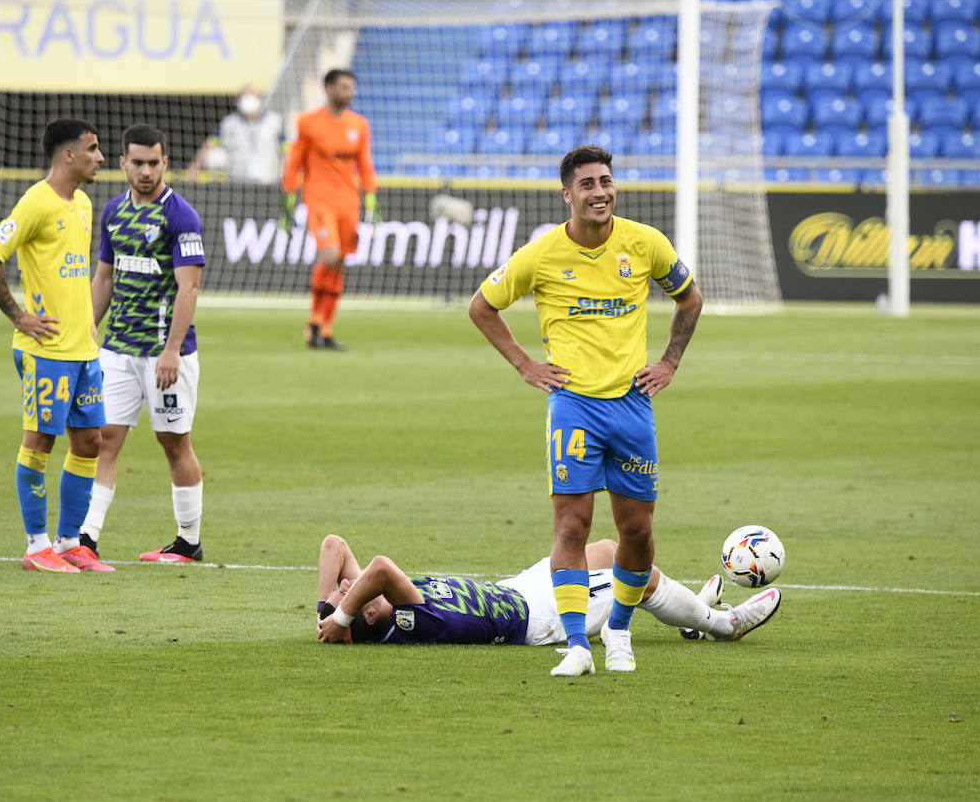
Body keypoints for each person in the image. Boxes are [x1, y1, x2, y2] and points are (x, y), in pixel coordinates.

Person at [468, 145, 706, 677]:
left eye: (606, 181)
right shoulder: (542, 254)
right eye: (588, 185)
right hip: (573, 408)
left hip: (631, 405)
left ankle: (617, 628)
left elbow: (690, 299)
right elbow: (481, 306)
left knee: (637, 531)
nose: (600, 192)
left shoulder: (645, 243)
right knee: (572, 526)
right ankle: (578, 644)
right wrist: (524, 364)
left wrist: (668, 362)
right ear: (567, 195)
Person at [0, 118, 112, 574]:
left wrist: (88, 323)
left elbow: (74, 275)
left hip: (82, 349)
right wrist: (19, 317)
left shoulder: (85, 203)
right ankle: (36, 546)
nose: (100, 157)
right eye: (92, 149)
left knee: (89, 441)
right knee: (40, 442)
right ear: (68, 154)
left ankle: (70, 541)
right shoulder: (36, 202)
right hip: (45, 350)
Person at [76, 124, 208, 564]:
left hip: (165, 354)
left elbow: (188, 289)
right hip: (118, 351)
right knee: (102, 438)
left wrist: (171, 350)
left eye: (154, 163)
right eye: (138, 163)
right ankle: (87, 537)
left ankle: (188, 541)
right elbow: (104, 277)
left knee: (173, 443)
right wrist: (87, 329)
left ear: (165, 163)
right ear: (123, 164)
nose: (146, 171)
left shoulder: (180, 216)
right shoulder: (113, 212)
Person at [314, 534, 780, 649]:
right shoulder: (409, 618)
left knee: (604, 548)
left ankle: (691, 616)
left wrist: (326, 611)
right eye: (348, 594)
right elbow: (375, 569)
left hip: (517, 589)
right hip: (542, 618)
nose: (348, 584)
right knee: (640, 573)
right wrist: (337, 620)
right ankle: (722, 625)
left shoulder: (372, 607)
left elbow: (334, 545)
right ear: (369, 616)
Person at [279, 68, 379, 351]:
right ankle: (313, 322)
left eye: (352, 87)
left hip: (350, 201)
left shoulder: (358, 125)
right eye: (345, 87)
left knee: (340, 262)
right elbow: (295, 161)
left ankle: (325, 328)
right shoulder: (309, 123)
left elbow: (364, 163)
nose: (350, 93)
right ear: (329, 89)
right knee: (330, 255)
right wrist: (289, 195)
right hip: (320, 199)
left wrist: (371, 195)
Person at [190, 86, 282, 184]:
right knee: (215, 157)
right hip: (237, 180)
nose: (248, 99)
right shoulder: (229, 123)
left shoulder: (275, 121)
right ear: (237, 101)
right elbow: (209, 145)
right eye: (244, 96)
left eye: (251, 95)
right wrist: (193, 170)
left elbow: (286, 150)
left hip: (267, 178)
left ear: (259, 98)